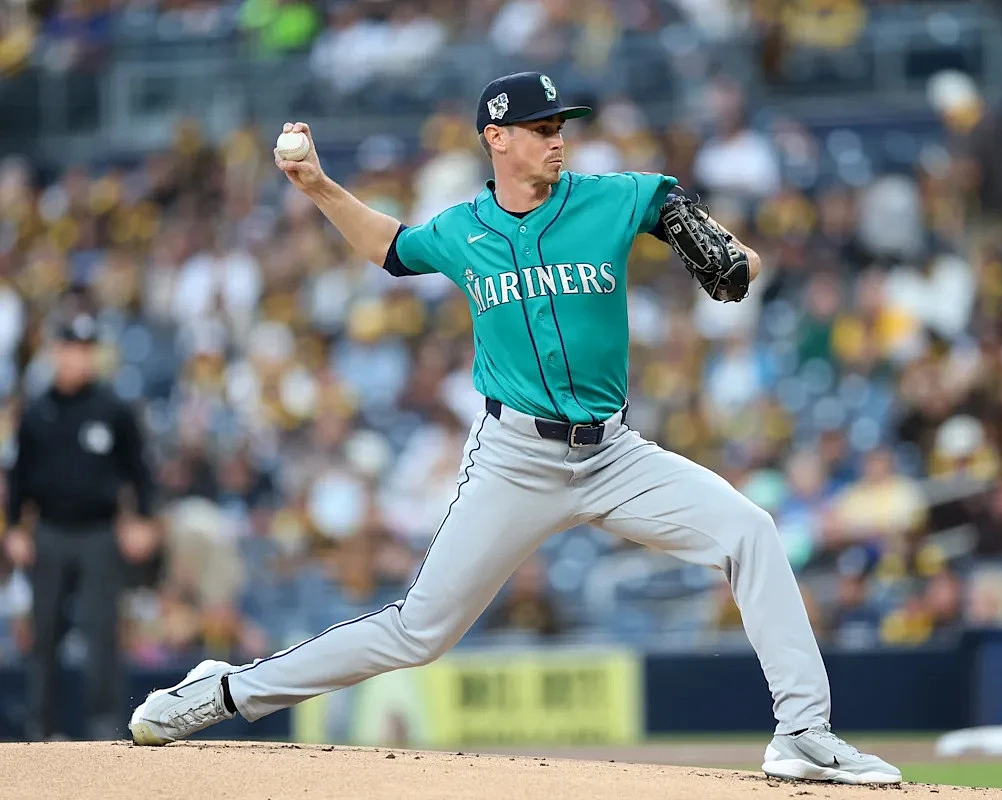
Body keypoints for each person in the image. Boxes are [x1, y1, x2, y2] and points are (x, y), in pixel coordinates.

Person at [128, 72, 901, 785]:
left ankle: (804, 732)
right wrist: (319, 186)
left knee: (751, 531)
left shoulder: (619, 197)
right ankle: (224, 690)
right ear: (496, 138)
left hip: (614, 454)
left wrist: (737, 261)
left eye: (560, 126)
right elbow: (389, 248)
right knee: (418, 631)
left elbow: (740, 259)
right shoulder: (463, 229)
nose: (557, 139)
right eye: (540, 128)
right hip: (514, 460)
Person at [4, 309, 159, 740]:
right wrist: (15, 527)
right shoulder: (36, 412)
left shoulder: (113, 410)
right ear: (56, 352)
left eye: (87, 349)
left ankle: (104, 728)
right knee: (44, 635)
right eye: (72, 348)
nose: (79, 358)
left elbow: (140, 472)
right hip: (49, 532)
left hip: (99, 533)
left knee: (103, 634)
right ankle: (41, 730)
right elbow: (18, 476)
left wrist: (143, 520)